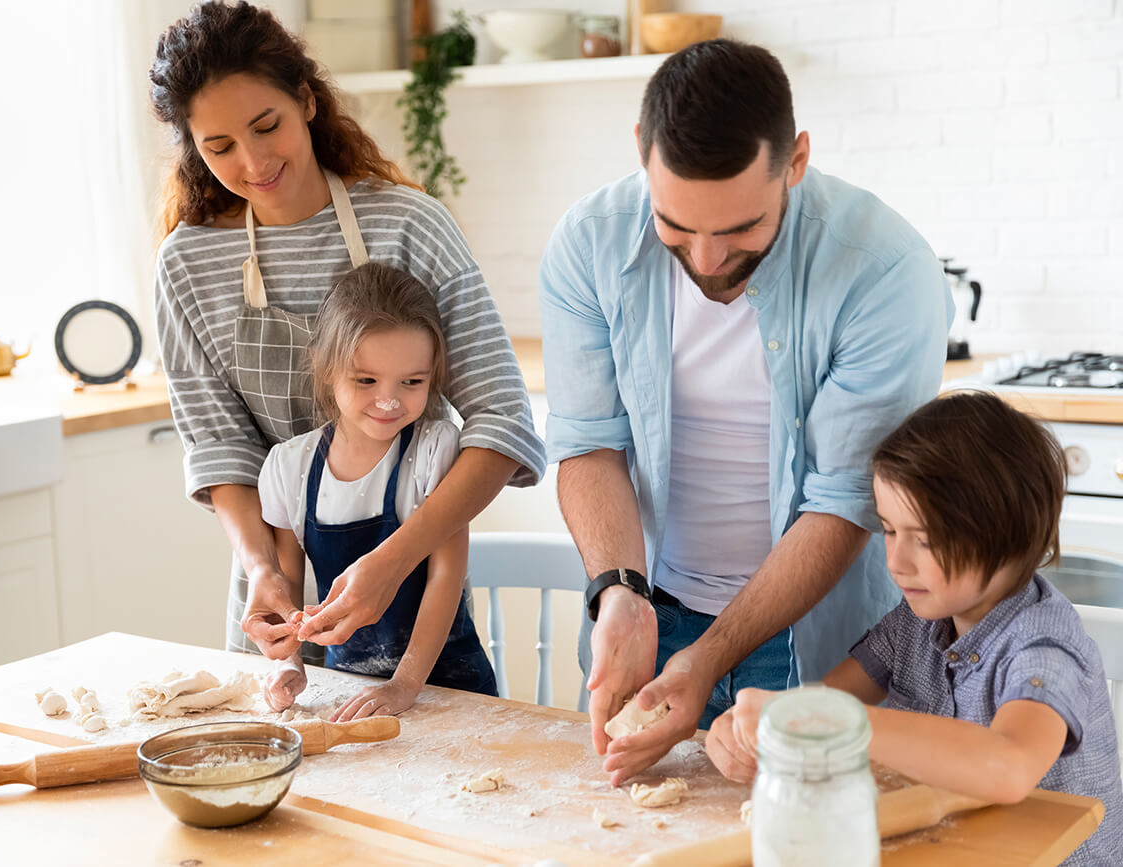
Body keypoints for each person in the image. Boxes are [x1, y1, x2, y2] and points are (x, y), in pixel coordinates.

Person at [538, 37, 952, 785]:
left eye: (737, 231)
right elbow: (589, 445)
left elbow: (844, 500)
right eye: (676, 226)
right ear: (641, 150)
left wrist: (711, 656)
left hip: (825, 642)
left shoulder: (885, 270)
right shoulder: (588, 243)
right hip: (649, 616)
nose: (704, 260)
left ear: (794, 160)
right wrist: (620, 593)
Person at [149, 0, 544, 669]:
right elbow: (222, 450)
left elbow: (502, 422)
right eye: (219, 147)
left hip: (413, 596)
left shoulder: (410, 225)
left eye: (266, 125)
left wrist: (394, 559)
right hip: (278, 611)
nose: (252, 161)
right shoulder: (186, 265)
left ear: (305, 100)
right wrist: (265, 571)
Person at [708, 391, 1123, 866]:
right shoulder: (916, 624)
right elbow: (828, 701)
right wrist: (765, 731)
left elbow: (1009, 765)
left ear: (1009, 535)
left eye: (924, 540)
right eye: (889, 529)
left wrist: (830, 723)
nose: (895, 562)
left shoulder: (1044, 646)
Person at [253, 262, 497, 717]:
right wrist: (288, 662)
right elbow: (287, 586)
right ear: (325, 368)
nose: (389, 400)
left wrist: (404, 686)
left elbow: (446, 578)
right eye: (366, 380)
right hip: (352, 693)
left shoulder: (434, 450)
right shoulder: (290, 468)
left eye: (412, 382)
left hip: (450, 688)